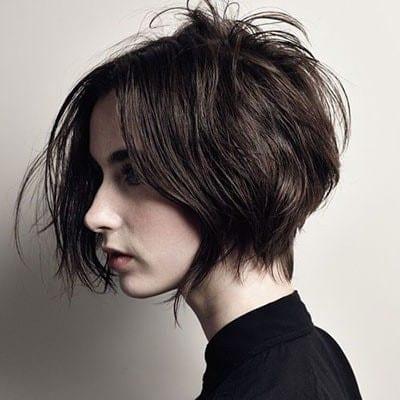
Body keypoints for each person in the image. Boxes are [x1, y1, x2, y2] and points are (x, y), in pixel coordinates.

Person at [13, 0, 363, 399]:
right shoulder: (310, 351)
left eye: (133, 174)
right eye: (100, 176)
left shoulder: (276, 385)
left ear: (232, 173)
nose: (94, 215)